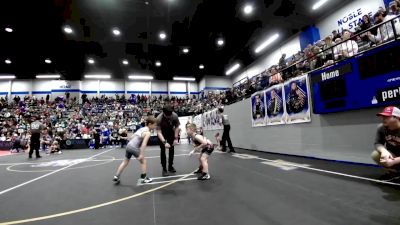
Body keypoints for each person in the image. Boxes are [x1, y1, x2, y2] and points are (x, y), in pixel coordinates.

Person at [112, 116, 157, 184]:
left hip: (128, 145)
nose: (155, 127)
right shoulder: (147, 132)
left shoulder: (141, 129)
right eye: (155, 125)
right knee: (143, 161)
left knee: (125, 162)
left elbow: (132, 137)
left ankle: (116, 176)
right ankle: (144, 178)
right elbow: (144, 144)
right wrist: (141, 154)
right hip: (133, 147)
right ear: (150, 124)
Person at [372, 106, 400, 181]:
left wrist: (394, 161)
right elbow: (377, 143)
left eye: (387, 117)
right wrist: (384, 151)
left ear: (396, 117)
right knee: (376, 154)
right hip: (394, 155)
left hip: (397, 159)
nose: (383, 119)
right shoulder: (381, 128)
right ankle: (395, 173)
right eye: (383, 116)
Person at [157, 105, 180, 176]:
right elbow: (159, 132)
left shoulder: (174, 116)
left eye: (170, 115)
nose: (169, 117)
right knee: (163, 150)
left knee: (171, 149)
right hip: (162, 133)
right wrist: (164, 142)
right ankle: (164, 169)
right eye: (167, 116)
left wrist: (176, 138)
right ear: (163, 113)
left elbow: (177, 127)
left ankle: (170, 166)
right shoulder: (159, 118)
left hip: (170, 132)